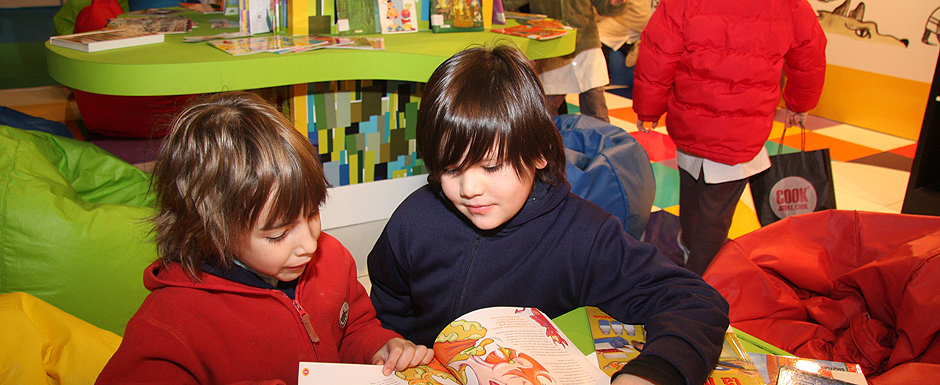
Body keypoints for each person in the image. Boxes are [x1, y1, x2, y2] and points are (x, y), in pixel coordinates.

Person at [367, 44, 730, 385]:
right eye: (450, 168)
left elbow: (695, 301)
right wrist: (387, 341)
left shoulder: (584, 234)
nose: (469, 189)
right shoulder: (415, 218)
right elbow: (386, 301)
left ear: (539, 152)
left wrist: (652, 372)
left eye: (492, 166)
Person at [95, 91, 434, 384]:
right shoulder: (170, 324)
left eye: (313, 213)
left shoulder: (331, 260)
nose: (310, 244)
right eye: (278, 234)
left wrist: (381, 346)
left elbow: (355, 329)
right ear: (212, 232)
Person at [632, 0, 827, 276]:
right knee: (717, 209)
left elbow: (658, 53)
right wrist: (799, 103)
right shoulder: (790, 4)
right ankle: (701, 275)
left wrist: (648, 108)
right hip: (744, 126)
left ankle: (688, 243)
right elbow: (810, 55)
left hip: (692, 117)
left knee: (690, 187)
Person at [502, 0, 628, 122]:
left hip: (585, 43)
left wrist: (614, 3)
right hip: (552, 46)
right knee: (546, 112)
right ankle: (549, 142)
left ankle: (603, 143)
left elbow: (603, 4)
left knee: (595, 109)